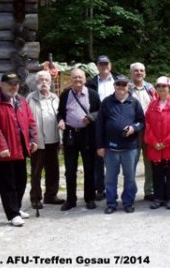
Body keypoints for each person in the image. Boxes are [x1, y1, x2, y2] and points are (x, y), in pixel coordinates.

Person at [0, 72, 38, 226]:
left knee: (21, 180)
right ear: (2, 84)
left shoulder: (21, 100)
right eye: (10, 84)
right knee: (7, 183)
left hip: (20, 147)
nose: (13, 87)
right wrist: (1, 146)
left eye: (15, 84)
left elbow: (31, 121)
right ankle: (12, 213)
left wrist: (33, 140)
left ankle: (17, 208)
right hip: (4, 150)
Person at [96, 75, 145, 214]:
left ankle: (128, 202)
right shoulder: (106, 102)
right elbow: (99, 125)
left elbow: (141, 121)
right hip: (111, 147)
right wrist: (100, 145)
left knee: (129, 177)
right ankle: (111, 203)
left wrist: (133, 128)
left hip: (130, 147)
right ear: (114, 86)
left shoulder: (134, 102)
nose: (121, 87)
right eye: (118, 84)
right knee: (110, 178)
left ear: (128, 86)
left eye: (124, 85)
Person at [57, 68, 100, 211]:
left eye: (80, 78)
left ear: (85, 79)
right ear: (71, 80)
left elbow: (100, 112)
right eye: (75, 78)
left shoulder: (93, 95)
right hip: (70, 134)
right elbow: (60, 113)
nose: (77, 80)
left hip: (87, 134)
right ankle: (71, 200)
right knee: (70, 169)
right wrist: (61, 120)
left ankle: (89, 198)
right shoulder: (65, 95)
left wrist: (91, 117)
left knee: (89, 167)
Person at [85, 55, 122, 202]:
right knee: (99, 158)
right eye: (101, 64)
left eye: (106, 63)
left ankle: (114, 189)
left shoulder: (119, 80)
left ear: (110, 65)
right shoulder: (91, 83)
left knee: (117, 157)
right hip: (97, 124)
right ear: (97, 66)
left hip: (115, 123)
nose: (104, 66)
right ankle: (100, 188)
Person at [146, 77, 170, 210]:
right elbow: (147, 125)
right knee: (157, 173)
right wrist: (154, 141)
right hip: (155, 146)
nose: (162, 88)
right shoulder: (152, 105)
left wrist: (165, 142)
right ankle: (158, 197)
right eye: (159, 86)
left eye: (164, 86)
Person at [26, 70, 63, 210]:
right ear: (36, 82)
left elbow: (60, 117)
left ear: (51, 82)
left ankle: (51, 195)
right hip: (38, 141)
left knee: (53, 170)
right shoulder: (30, 98)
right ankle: (35, 198)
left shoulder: (55, 98)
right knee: (36, 171)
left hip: (53, 140)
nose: (44, 83)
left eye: (46, 80)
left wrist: (61, 138)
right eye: (41, 80)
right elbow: (26, 121)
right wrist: (31, 139)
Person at [128, 62, 156, 202]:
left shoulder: (150, 88)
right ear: (131, 73)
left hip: (149, 129)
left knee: (149, 161)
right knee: (131, 162)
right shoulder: (127, 88)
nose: (139, 73)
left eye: (141, 70)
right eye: (136, 71)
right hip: (132, 130)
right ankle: (130, 191)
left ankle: (149, 191)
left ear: (145, 73)